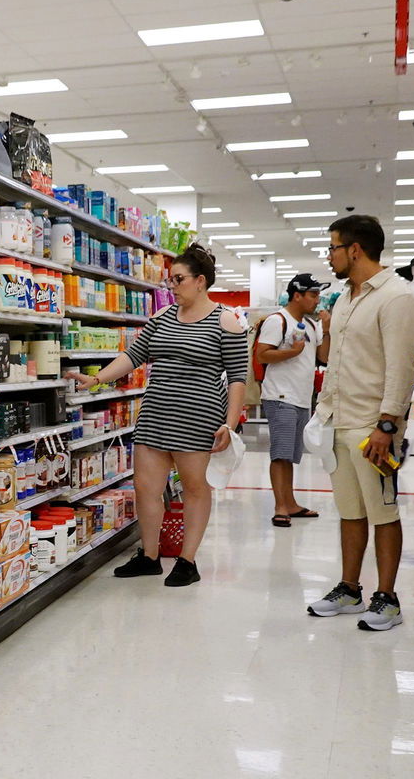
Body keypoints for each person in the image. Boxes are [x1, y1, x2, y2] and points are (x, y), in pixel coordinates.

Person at [67, 244, 248, 586]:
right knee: (146, 487)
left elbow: (238, 377)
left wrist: (230, 421)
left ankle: (187, 560)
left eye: (178, 279)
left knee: (195, 489)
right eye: (170, 281)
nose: (172, 286)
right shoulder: (162, 318)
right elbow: (132, 355)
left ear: (200, 281)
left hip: (199, 418)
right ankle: (149, 556)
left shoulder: (226, 321)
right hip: (155, 414)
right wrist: (96, 379)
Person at [306, 215, 414, 631]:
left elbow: (401, 369)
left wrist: (387, 426)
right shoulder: (346, 298)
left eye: (332, 247)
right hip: (339, 422)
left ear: (354, 249)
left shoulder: (396, 298)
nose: (329, 256)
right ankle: (349, 588)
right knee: (349, 512)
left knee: (383, 513)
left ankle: (387, 598)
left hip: (374, 428)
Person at [255, 273, 332, 527]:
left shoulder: (310, 325)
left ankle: (290, 502)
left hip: (300, 398)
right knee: (280, 454)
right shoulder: (278, 321)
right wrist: (292, 352)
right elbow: (262, 355)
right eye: (313, 294)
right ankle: (280, 506)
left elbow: (323, 357)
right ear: (297, 295)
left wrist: (327, 330)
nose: (317, 300)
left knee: (291, 455)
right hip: (280, 396)